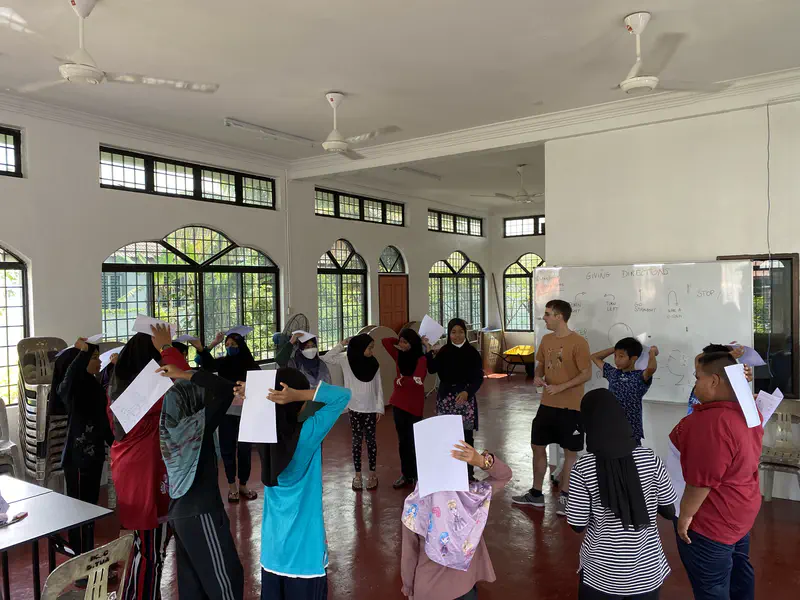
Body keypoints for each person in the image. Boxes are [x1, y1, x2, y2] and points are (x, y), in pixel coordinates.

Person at [236, 372, 350, 600]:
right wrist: (298, 395)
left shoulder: (264, 435)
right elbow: (343, 396)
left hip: (272, 553)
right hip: (305, 557)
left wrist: (257, 394)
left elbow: (263, 412)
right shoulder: (308, 434)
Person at [567, 389, 677, 600]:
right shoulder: (650, 459)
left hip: (601, 573)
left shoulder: (583, 467)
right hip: (647, 571)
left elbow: (577, 524)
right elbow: (669, 511)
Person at [670, 352, 763, 600]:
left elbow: (701, 481)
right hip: (741, 509)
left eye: (697, 377)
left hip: (712, 522)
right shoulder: (749, 411)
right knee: (740, 572)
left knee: (712, 587)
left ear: (713, 381)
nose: (694, 383)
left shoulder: (711, 423)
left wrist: (685, 516)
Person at [109, 324, 191, 600]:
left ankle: (134, 593)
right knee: (151, 552)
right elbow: (185, 375)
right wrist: (167, 347)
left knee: (143, 546)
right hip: (146, 472)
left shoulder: (118, 384)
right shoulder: (146, 389)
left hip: (129, 469)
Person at [157, 363, 244, 600]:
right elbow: (225, 389)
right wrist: (187, 374)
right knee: (226, 582)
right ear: (192, 401)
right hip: (200, 512)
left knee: (193, 588)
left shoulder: (172, 429)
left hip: (182, 514)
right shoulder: (196, 428)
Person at [400, 442, 512, 600]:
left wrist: (409, 589)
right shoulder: (471, 498)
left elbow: (409, 556)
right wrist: (481, 460)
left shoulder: (414, 506)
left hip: (428, 589)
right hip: (464, 587)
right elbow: (505, 475)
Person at [512, 299, 591, 515]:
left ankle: (566, 498)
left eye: (548, 314)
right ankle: (536, 494)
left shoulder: (579, 342)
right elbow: (540, 365)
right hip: (547, 405)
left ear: (559, 316)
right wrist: (537, 376)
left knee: (571, 453)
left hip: (571, 407)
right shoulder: (546, 340)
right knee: (537, 446)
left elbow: (587, 373)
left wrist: (561, 387)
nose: (544, 318)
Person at [48, 338, 114, 555]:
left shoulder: (92, 385)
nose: (99, 362)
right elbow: (68, 380)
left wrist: (115, 444)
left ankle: (87, 557)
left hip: (93, 458)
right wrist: (82, 353)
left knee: (90, 510)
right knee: (80, 513)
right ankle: (80, 563)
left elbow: (102, 421)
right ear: (80, 360)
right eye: (94, 358)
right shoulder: (70, 390)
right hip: (77, 460)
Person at [193, 331, 259, 503]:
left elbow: (261, 385)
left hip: (247, 414)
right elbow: (204, 363)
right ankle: (232, 487)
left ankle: (243, 484)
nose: (230, 348)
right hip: (226, 413)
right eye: (227, 345)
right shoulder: (223, 363)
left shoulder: (251, 365)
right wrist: (203, 349)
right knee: (227, 450)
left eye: (234, 345)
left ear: (241, 345)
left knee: (245, 451)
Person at [318, 334, 383, 490]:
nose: (371, 351)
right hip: (354, 407)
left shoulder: (374, 364)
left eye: (372, 348)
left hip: (370, 408)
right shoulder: (346, 360)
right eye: (369, 348)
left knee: (371, 441)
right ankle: (358, 475)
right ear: (360, 348)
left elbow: (378, 387)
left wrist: (379, 407)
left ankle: (373, 474)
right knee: (356, 441)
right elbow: (327, 357)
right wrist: (342, 343)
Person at [426, 319, 484, 480]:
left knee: (466, 436)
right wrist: (429, 351)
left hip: (464, 399)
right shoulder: (444, 351)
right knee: (446, 436)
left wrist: (467, 392)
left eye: (460, 332)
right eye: (453, 332)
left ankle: (468, 474)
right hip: (446, 399)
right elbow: (432, 369)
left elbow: (478, 378)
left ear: (465, 333)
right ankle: (449, 471)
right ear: (449, 333)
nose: (457, 336)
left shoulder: (472, 353)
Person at [382, 328, 428, 489]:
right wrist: (399, 343)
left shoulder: (421, 358)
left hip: (414, 405)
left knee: (415, 441)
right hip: (399, 403)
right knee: (403, 442)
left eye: (405, 342)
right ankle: (406, 474)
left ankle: (417, 475)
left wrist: (400, 381)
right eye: (400, 341)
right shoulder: (399, 355)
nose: (401, 344)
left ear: (413, 343)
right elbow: (385, 342)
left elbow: (418, 381)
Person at [590, 338, 659, 445]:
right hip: (611, 428)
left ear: (633, 358)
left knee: (630, 460)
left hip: (631, 431)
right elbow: (594, 357)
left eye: (621, 356)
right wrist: (616, 348)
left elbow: (651, 368)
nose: (617, 360)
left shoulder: (639, 376)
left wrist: (652, 353)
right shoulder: (613, 373)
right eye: (615, 356)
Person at [686, 344, 745, 415]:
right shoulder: (702, 376)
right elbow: (697, 358)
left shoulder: (721, 395)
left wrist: (724, 357)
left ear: (714, 380)